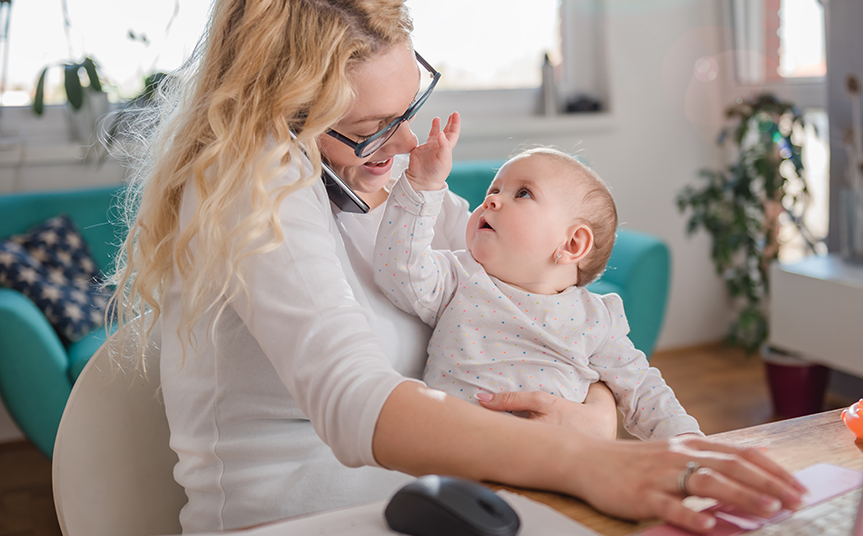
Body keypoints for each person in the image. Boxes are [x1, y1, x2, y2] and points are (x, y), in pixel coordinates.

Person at [107, 0, 806, 533]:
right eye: (367, 129)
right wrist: (588, 460)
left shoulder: (399, 193)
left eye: (410, 106)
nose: (408, 144)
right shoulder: (250, 179)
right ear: (277, 114)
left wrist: (594, 420)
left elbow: (540, 314)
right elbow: (354, 398)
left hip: (449, 497)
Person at [375, 145, 702, 440]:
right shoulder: (457, 276)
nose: (492, 199)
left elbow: (643, 390)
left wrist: (685, 440)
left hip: (559, 466)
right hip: (458, 461)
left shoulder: (596, 319)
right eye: (495, 189)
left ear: (572, 244)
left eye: (523, 194)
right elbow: (399, 269)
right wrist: (422, 188)